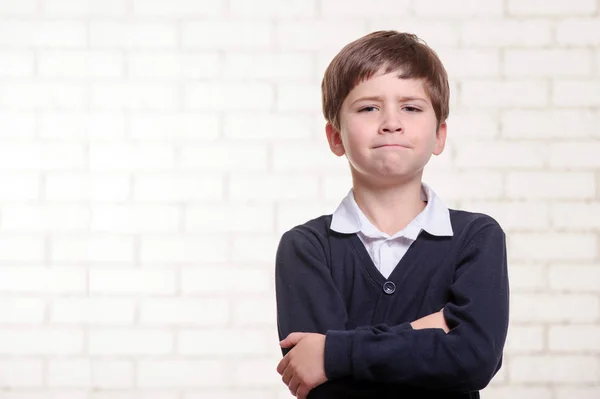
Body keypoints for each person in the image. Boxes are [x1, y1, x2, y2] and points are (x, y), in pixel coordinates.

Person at [274, 30, 509, 399]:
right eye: (368, 108)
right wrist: (431, 329)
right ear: (335, 137)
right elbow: (322, 388)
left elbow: (475, 359)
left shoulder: (477, 237)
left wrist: (335, 351)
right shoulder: (306, 247)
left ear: (439, 136)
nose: (391, 122)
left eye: (411, 108)